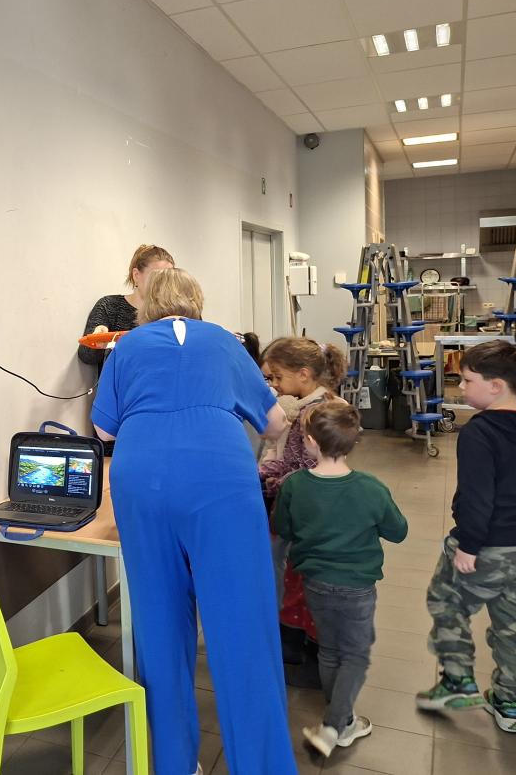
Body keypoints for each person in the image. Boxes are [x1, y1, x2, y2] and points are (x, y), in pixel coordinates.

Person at [91, 268, 295, 775]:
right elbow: (274, 423)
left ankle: (176, 764)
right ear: (197, 303)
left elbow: (102, 429)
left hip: (142, 481)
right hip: (218, 480)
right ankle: (262, 765)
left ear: (147, 305)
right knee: (242, 624)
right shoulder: (224, 342)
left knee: (159, 624)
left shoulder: (127, 347)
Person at [416, 341, 516, 734]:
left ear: (496, 386)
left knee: (446, 603)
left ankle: (457, 684)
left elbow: (478, 496)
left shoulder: (479, 432)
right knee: (514, 624)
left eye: (467, 380)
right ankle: (509, 704)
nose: (461, 387)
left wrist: (469, 545)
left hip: (487, 544)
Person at [272, 400, 408, 758]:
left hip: (315, 583)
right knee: (356, 655)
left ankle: (344, 721)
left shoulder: (294, 485)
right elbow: (398, 531)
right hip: (357, 587)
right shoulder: (371, 488)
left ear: (310, 441)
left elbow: (283, 528)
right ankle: (334, 725)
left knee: (330, 651)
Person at [258, 337, 347, 663]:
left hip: (304, 511)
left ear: (304, 374)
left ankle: (295, 641)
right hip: (309, 508)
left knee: (292, 571)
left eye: (278, 377)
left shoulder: (313, 414)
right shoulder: (317, 404)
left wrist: (266, 479)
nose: (274, 384)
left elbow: (304, 467)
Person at [78, 244, 175, 370]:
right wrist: (99, 339)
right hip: (121, 382)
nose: (163, 284)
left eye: (169, 278)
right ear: (136, 275)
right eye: (156, 277)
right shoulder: (110, 306)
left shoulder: (174, 313)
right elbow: (86, 356)